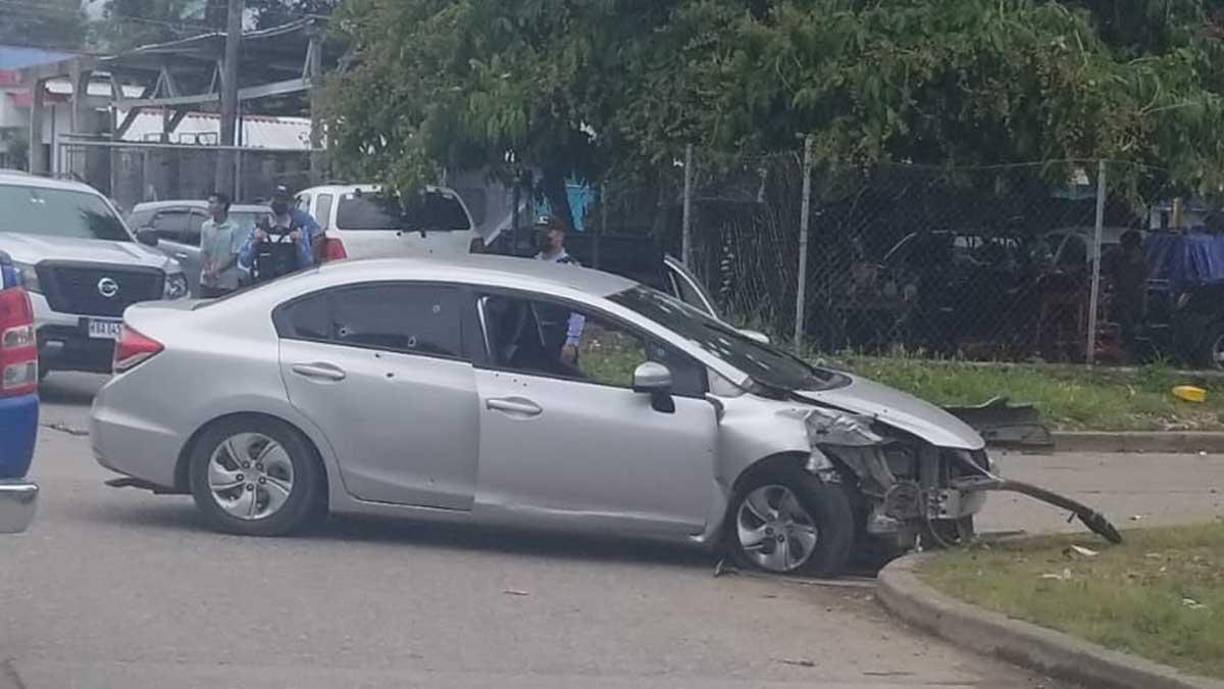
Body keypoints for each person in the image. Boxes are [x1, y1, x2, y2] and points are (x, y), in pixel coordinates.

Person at [533, 216, 585, 364]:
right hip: (535, 333)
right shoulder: (532, 263)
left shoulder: (569, 267)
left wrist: (571, 342)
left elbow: (578, 308)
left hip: (559, 335)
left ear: (560, 235)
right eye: (538, 232)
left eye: (548, 232)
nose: (542, 237)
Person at [240, 199, 314, 285]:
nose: (279, 204)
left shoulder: (299, 229)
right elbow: (244, 261)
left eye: (283, 199)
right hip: (263, 284)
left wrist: (299, 244)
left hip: (290, 283)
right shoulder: (259, 228)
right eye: (277, 198)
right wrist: (254, 243)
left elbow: (308, 264)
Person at [198, 192, 248, 298]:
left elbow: (234, 254)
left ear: (222, 205)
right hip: (207, 280)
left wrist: (217, 271)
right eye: (209, 202)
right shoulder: (206, 226)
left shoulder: (234, 228)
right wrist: (208, 271)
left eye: (213, 202)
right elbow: (203, 251)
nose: (209, 206)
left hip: (227, 281)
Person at [1107, 229, 1148, 357]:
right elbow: (1111, 277)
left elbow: (1143, 283)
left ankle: (1130, 349)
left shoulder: (1142, 262)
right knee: (1124, 320)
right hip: (1121, 297)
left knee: (1133, 325)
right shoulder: (1118, 259)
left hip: (1136, 298)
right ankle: (1124, 346)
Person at [272, 185, 326, 263]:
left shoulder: (301, 218)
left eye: (283, 199)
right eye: (277, 198)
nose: (279, 202)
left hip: (294, 266)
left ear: (290, 201)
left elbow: (318, 235)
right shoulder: (267, 218)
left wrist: (312, 256)